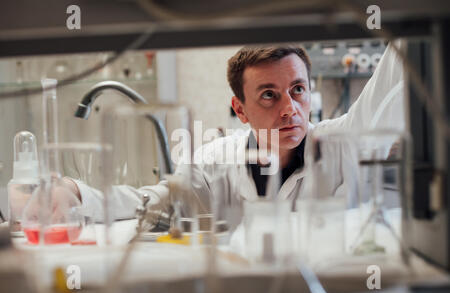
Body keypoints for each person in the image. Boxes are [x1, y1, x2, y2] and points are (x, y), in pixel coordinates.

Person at [61, 40, 406, 233]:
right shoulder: (213, 163)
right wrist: (79, 196)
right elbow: (151, 205)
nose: (290, 108)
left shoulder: (344, 142)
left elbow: (400, 67)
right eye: (269, 95)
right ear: (240, 110)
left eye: (298, 89)